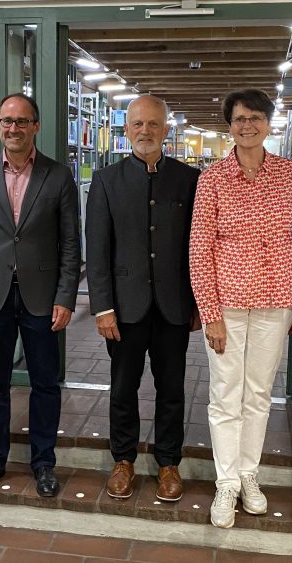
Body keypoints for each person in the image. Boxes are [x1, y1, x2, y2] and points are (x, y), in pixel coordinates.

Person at [189, 89, 292, 528]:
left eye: (256, 117)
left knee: (258, 393)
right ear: (229, 125)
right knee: (224, 393)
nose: (248, 125)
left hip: (276, 299)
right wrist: (210, 312)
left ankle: (250, 474)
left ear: (269, 123)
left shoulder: (290, 174)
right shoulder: (213, 178)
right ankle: (226, 482)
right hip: (228, 303)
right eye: (239, 118)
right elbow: (199, 249)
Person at [0, 93, 80, 498]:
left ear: (35, 126)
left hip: (43, 297)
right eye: (6, 121)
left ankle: (43, 462)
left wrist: (67, 297)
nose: (13, 128)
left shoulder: (59, 176)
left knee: (45, 382)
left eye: (22, 121)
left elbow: (69, 245)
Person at [86, 95, 199, 502]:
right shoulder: (106, 181)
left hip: (173, 307)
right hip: (124, 308)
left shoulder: (189, 179)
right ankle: (123, 460)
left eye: (154, 124)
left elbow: (196, 247)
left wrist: (197, 304)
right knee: (123, 388)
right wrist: (102, 307)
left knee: (172, 389)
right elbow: (96, 250)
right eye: (138, 124)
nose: (146, 131)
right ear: (126, 129)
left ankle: (169, 462)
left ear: (166, 130)